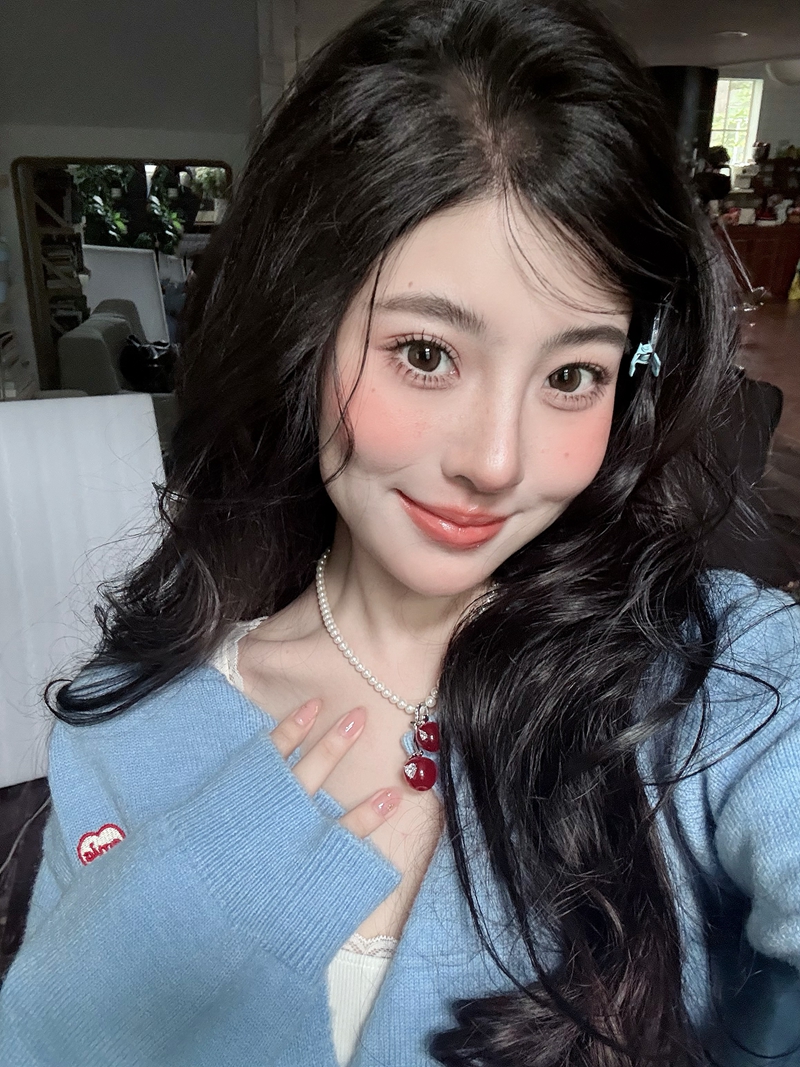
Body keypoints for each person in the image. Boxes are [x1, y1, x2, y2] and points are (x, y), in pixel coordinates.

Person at [2, 1, 799, 1064]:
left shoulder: (711, 680)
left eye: (572, 374)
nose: (496, 460)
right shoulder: (130, 729)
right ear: (302, 331)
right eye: (426, 354)